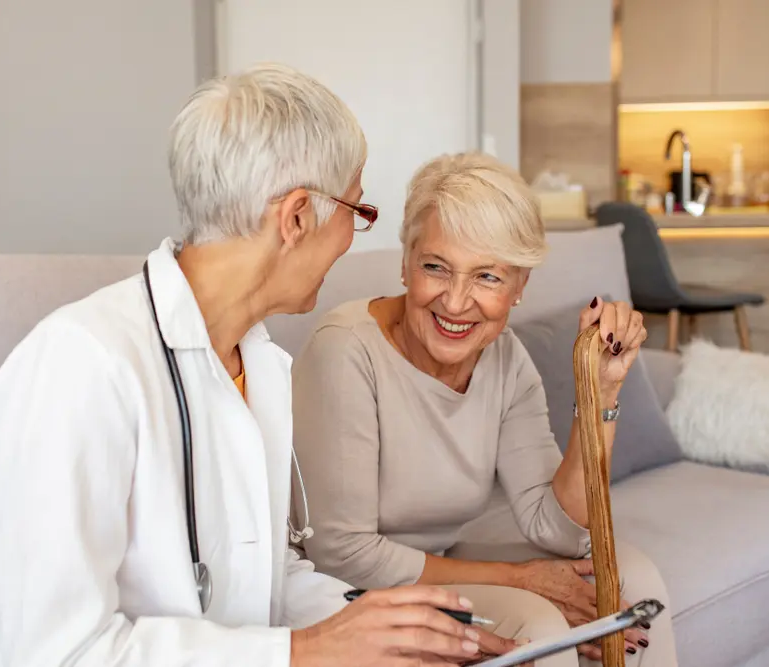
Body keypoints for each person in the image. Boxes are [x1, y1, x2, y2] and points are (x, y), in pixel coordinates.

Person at [0, 67, 522, 667]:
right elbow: (55, 653)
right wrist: (308, 651)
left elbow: (268, 580)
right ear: (298, 217)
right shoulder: (79, 366)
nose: (350, 239)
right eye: (354, 212)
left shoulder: (254, 361)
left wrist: (395, 628)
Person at [290, 152, 680, 667]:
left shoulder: (505, 360)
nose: (455, 302)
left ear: (519, 288)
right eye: (436, 268)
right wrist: (522, 580)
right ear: (405, 263)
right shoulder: (346, 349)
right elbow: (342, 553)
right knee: (538, 624)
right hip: (337, 592)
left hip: (433, 566)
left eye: (487, 277)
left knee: (632, 579)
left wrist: (598, 395)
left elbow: (560, 530)